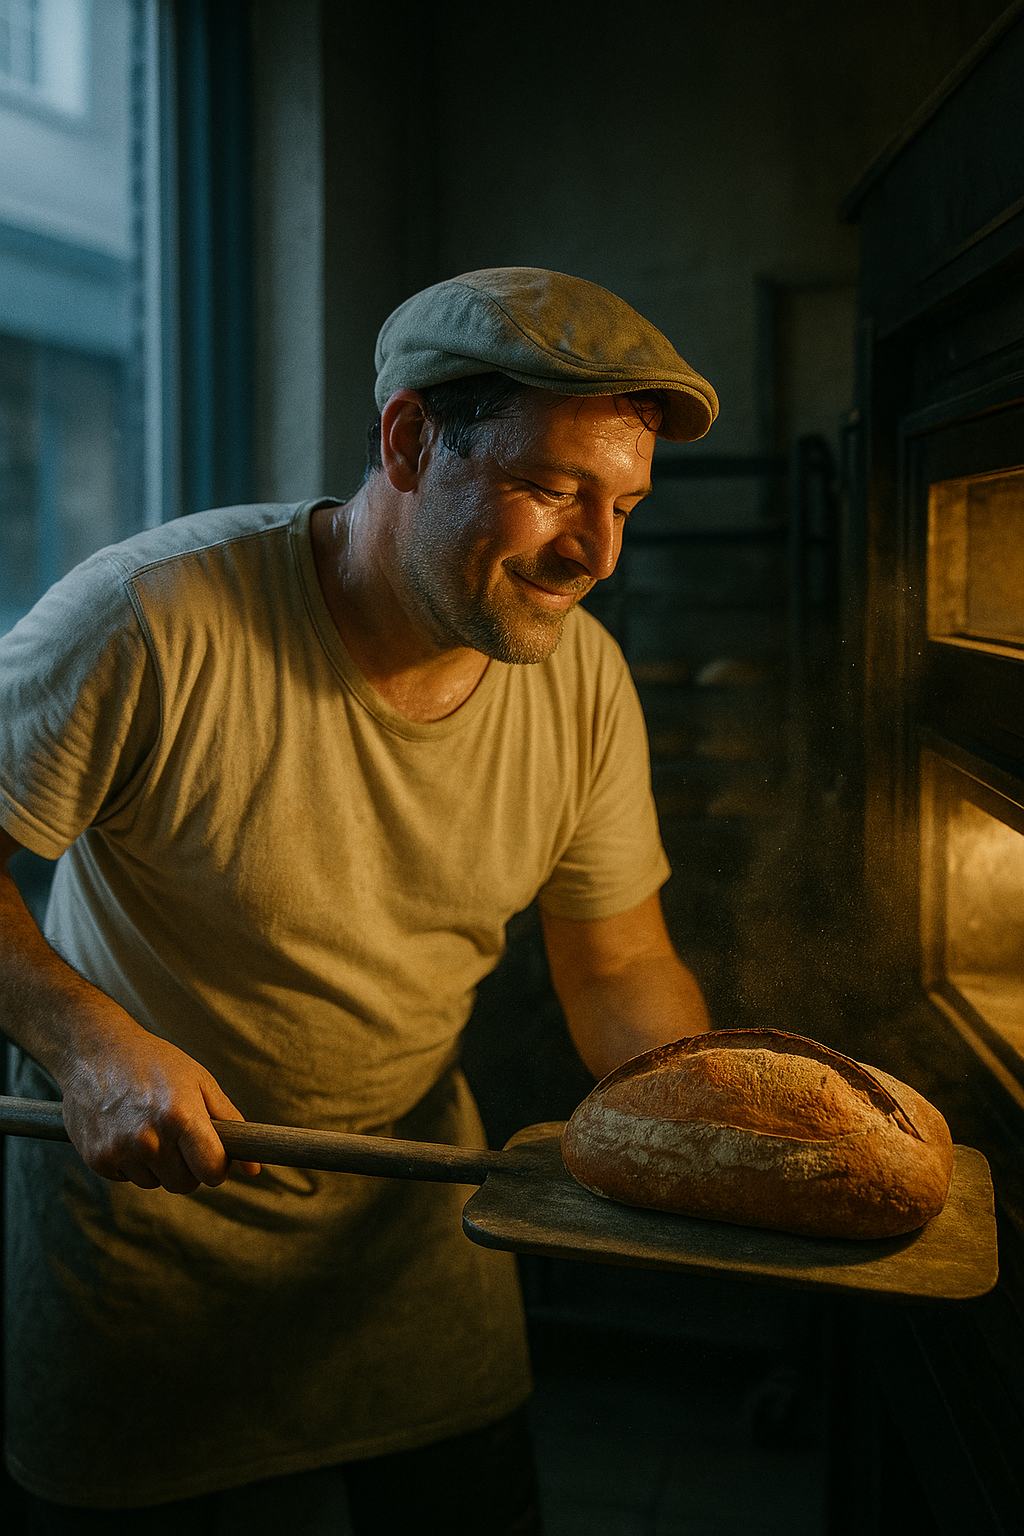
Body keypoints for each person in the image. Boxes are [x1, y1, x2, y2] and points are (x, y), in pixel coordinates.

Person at [0, 267, 718, 1534]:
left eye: (623, 506)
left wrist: (716, 1133)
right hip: (139, 1238)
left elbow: (614, 967)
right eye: (553, 490)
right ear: (407, 441)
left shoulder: (582, 680)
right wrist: (88, 1042)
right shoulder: (149, 620)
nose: (595, 554)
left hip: (409, 1217)